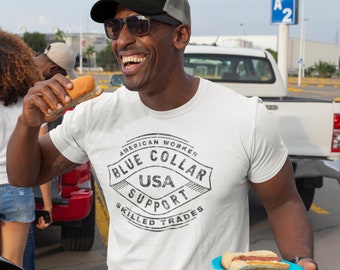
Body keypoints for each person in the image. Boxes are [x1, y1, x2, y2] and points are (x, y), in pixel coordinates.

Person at [6, 1, 319, 269]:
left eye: (138, 25)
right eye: (115, 27)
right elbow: (25, 175)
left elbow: (283, 203)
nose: (122, 40)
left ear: (180, 35)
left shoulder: (245, 117)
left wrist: (300, 257)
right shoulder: (95, 115)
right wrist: (28, 123)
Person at [23, 42, 78, 270]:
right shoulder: (36, 96)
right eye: (64, 77)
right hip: (15, 190)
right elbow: (39, 158)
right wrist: (47, 204)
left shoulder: (12, 72)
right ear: (53, 71)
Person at [0, 30, 44, 268]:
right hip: (16, 188)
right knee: (15, 262)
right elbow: (38, 150)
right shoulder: (29, 104)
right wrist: (46, 203)